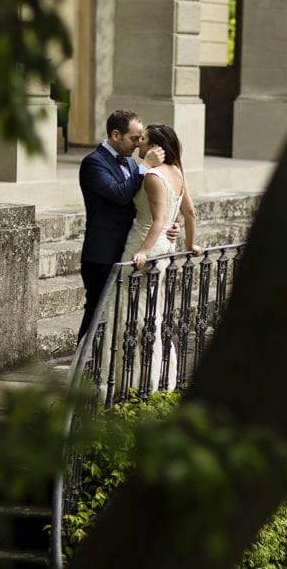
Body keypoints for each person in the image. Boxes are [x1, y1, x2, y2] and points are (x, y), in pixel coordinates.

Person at [111, 123, 204, 395]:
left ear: (155, 147)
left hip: (146, 245)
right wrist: (190, 243)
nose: (138, 144)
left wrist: (141, 251)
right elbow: (190, 214)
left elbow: (158, 220)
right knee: (152, 312)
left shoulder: (153, 175)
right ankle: (153, 377)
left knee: (131, 313)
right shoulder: (178, 172)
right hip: (165, 247)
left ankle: (133, 379)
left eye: (143, 140)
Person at [77, 109, 169, 343]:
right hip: (102, 254)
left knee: (118, 317)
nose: (138, 145)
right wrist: (145, 166)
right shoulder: (92, 163)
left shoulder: (130, 161)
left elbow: (141, 203)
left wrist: (168, 225)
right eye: (134, 138)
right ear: (116, 135)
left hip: (127, 248)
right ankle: (80, 372)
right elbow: (119, 195)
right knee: (97, 315)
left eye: (141, 138)